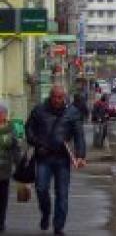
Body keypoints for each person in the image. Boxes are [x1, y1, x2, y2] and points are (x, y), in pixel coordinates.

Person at [26, 85, 87, 235]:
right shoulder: (39, 110)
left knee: (62, 193)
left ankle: (58, 226)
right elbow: (29, 129)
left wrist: (80, 155)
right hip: (44, 157)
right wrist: (36, 142)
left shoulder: (72, 113)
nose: (58, 100)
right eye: (55, 97)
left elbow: (79, 135)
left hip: (62, 158)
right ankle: (45, 214)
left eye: (61, 97)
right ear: (50, 96)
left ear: (65, 97)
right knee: (41, 189)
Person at [0, 102, 24, 232]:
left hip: (4, 170)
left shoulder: (10, 129)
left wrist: (20, 165)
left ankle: (1, 222)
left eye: (2, 113)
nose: (2, 115)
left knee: (3, 198)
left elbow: (16, 149)